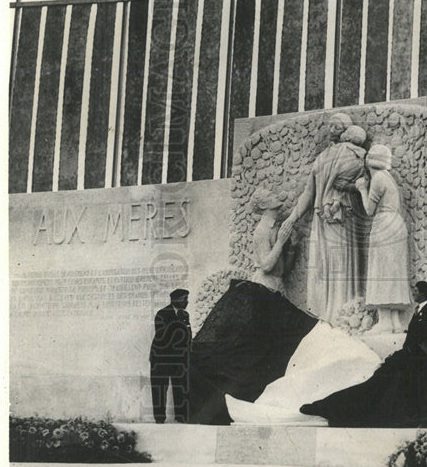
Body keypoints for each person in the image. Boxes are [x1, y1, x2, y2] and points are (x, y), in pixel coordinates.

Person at [188, 189, 316, 424]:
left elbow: (282, 270)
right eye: (272, 198)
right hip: (262, 292)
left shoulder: (274, 228)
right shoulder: (260, 231)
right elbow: (266, 265)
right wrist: (280, 241)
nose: (278, 200)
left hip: (277, 289)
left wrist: (292, 247)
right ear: (265, 205)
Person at [300, 281, 427, 427]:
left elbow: (423, 340)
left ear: (423, 293)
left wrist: (401, 357)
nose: (413, 293)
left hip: (419, 359)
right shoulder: (419, 311)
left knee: (378, 383)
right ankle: (326, 406)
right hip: (410, 358)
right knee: (375, 383)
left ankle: (326, 407)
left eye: (416, 290)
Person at [281, 114, 368, 326]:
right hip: (333, 217)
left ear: (343, 130)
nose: (331, 129)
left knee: (336, 263)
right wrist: (292, 218)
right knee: (329, 264)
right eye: (331, 125)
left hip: (338, 216)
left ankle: (341, 314)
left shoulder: (347, 156)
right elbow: (308, 194)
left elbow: (309, 195)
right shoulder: (332, 157)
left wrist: (292, 218)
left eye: (335, 126)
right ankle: (335, 314)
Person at [356, 143, 412, 333]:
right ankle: (395, 321)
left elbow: (369, 210)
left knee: (381, 271)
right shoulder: (388, 178)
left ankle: (385, 322)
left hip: (384, 225)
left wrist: (362, 189)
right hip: (396, 225)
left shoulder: (378, 178)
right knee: (393, 272)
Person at [150, 288, 192, 423]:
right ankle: (159, 419)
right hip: (161, 358)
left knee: (181, 387)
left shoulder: (185, 315)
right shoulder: (162, 314)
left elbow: (187, 334)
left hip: (179, 359)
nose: (187, 302)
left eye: (187, 299)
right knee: (160, 388)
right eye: (184, 299)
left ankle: (182, 417)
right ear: (176, 300)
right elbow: (162, 336)